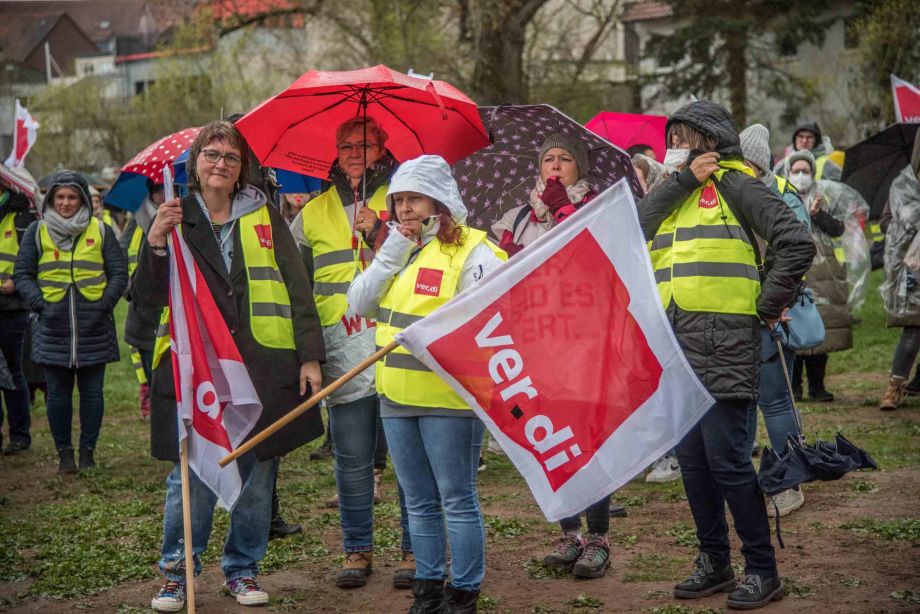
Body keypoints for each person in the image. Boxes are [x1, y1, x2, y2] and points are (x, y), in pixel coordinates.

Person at [134, 120, 326, 611]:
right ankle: (177, 572)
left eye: (231, 157)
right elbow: (145, 298)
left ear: (243, 170)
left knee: (258, 474)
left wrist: (309, 357)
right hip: (195, 370)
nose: (221, 163)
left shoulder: (265, 217)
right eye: (211, 154)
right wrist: (156, 243)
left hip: (264, 367)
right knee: (191, 477)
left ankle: (242, 569)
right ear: (194, 164)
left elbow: (298, 287)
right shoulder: (172, 216)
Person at [640, 101, 814, 610]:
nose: (678, 148)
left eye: (687, 139)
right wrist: (680, 180)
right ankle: (714, 562)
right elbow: (637, 226)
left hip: (728, 345)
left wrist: (767, 302)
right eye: (673, 139)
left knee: (728, 463)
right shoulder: (673, 192)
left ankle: (763, 569)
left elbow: (795, 241)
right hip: (677, 346)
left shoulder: (738, 185)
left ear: (711, 144)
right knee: (693, 463)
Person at [348, 155, 506, 613]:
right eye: (398, 200)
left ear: (439, 199)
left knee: (456, 498)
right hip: (395, 394)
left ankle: (465, 592)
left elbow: (487, 318)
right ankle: (429, 587)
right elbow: (360, 302)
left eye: (414, 199)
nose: (404, 209)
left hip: (449, 398)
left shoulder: (476, 250)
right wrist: (390, 253)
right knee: (417, 500)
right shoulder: (398, 248)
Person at [288, 115, 413, 590]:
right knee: (353, 457)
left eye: (364, 144)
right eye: (345, 146)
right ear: (335, 153)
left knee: (406, 457)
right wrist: (310, 350)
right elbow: (300, 289)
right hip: (340, 346)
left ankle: (413, 547)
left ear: (382, 148)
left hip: (396, 341)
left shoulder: (405, 200)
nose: (354, 153)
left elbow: (431, 261)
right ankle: (357, 548)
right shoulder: (311, 214)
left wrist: (380, 229)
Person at [13, 171, 128, 472]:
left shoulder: (100, 230)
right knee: (58, 396)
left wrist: (104, 305)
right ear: (51, 199)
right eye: (60, 197)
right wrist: (40, 305)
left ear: (82, 201)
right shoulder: (37, 231)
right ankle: (64, 453)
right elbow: (23, 275)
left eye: (72, 197)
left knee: (92, 395)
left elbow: (118, 273)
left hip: (95, 326)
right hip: (52, 327)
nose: (65, 203)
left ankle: (87, 452)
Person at [740, 123, 810, 517]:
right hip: (739, 313)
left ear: (759, 165)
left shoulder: (781, 195)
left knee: (776, 401)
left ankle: (789, 483)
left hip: (774, 314)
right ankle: (751, 484)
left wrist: (774, 303)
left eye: (746, 163)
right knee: (745, 402)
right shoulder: (735, 193)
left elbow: (798, 253)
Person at [785, 150, 851, 402]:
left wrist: (817, 215)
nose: (801, 176)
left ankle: (817, 385)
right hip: (794, 270)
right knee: (794, 325)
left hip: (824, 273)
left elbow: (838, 229)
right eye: (796, 171)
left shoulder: (825, 196)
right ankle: (794, 387)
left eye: (806, 171)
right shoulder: (781, 196)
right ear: (789, 173)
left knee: (820, 327)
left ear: (813, 173)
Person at [492, 133, 595, 257]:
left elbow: (596, 255)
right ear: (541, 168)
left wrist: (562, 208)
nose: (555, 166)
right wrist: (509, 261)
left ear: (580, 169)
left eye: (565, 159)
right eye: (548, 159)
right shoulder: (516, 217)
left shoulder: (597, 207)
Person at [878, 135, 920, 410]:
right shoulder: (902, 186)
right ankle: (895, 387)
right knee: (914, 329)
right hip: (914, 269)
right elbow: (885, 224)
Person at [120, 180, 165, 421]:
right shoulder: (136, 222)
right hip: (142, 308)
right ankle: (155, 406)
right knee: (149, 363)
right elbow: (120, 255)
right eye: (158, 190)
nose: (162, 195)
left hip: (172, 306)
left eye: (166, 189)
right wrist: (129, 289)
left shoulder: (183, 216)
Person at [0, 189, 38, 454]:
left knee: (13, 371)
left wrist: (16, 279)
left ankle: (19, 434)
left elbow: (30, 256)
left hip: (11, 307)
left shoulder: (20, 217)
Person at [774, 121, 841, 182]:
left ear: (816, 141)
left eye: (809, 137)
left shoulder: (827, 164)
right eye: (801, 136)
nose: (804, 141)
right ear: (795, 140)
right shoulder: (782, 165)